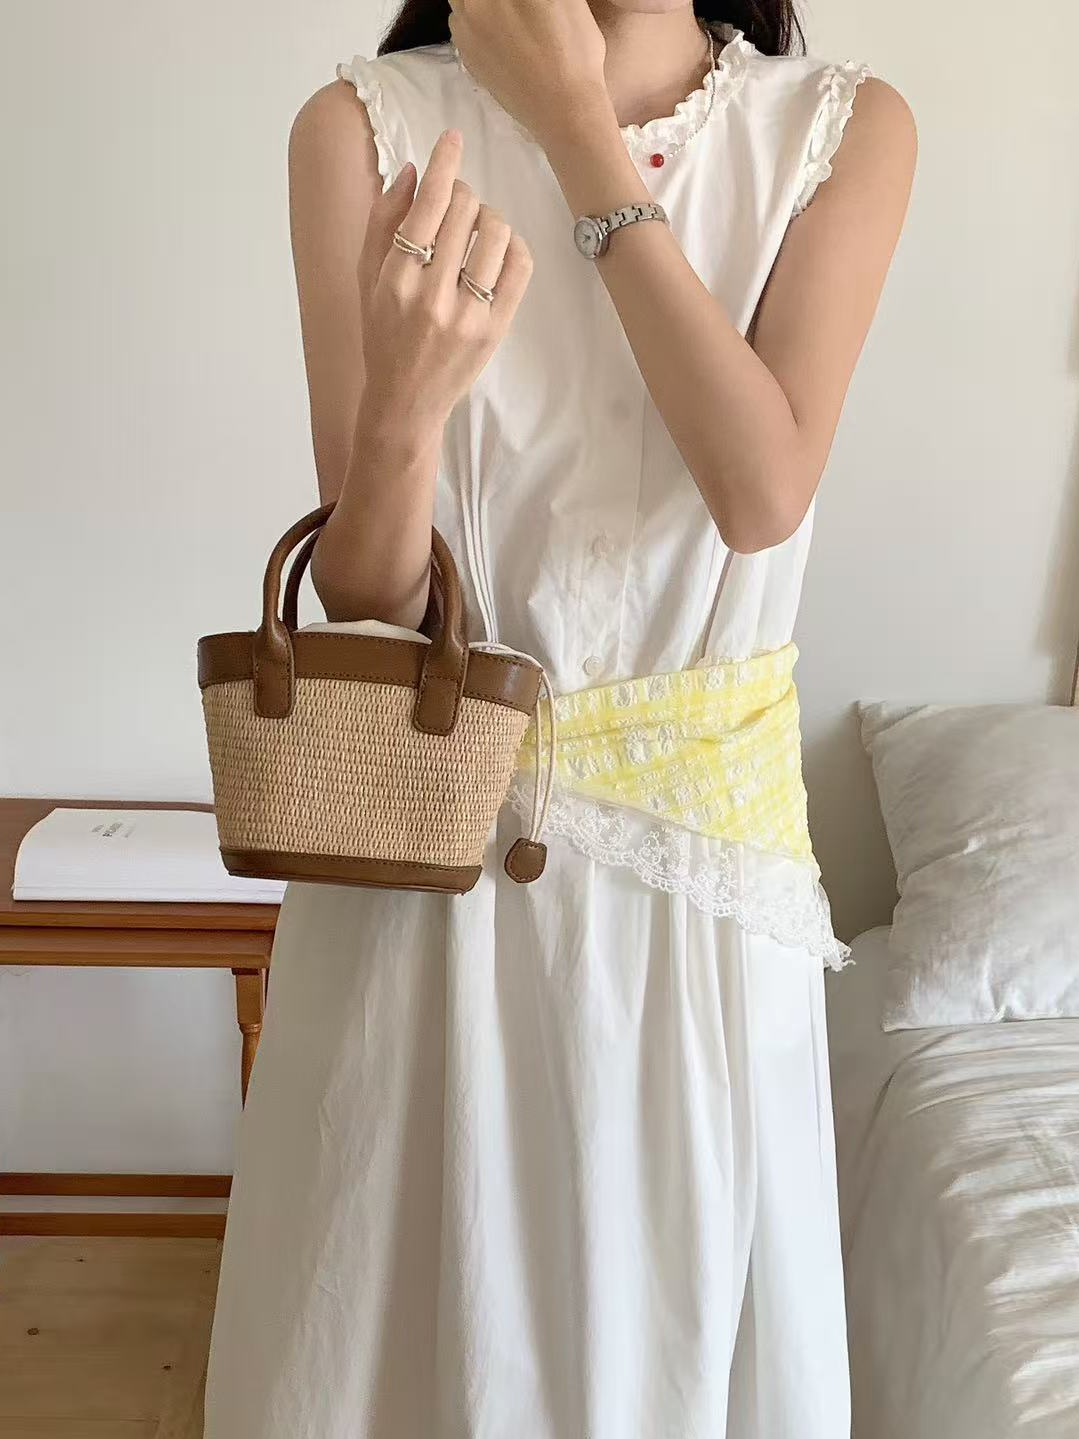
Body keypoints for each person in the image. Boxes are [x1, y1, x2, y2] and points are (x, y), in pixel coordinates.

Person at [203, 2, 916, 1435]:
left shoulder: (838, 128)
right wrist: (404, 412)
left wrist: (578, 128)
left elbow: (760, 494)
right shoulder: (363, 129)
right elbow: (368, 590)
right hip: (423, 892)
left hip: (695, 917)